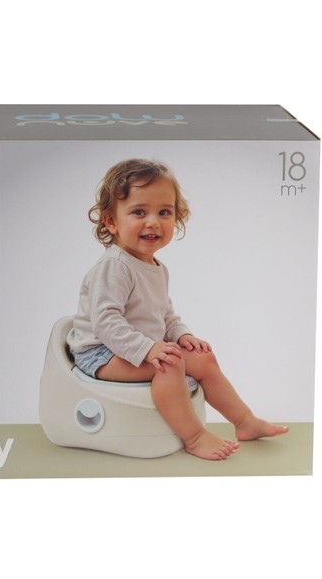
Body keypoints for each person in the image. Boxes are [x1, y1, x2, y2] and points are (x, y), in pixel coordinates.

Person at [67, 159, 288, 460]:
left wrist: (182, 335)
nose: (153, 222)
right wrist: (149, 349)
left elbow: (165, 313)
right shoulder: (115, 267)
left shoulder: (156, 267)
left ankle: (244, 421)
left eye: (164, 212)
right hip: (100, 353)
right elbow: (106, 322)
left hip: (132, 347)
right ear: (111, 222)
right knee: (170, 365)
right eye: (139, 212)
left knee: (203, 359)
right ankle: (194, 437)